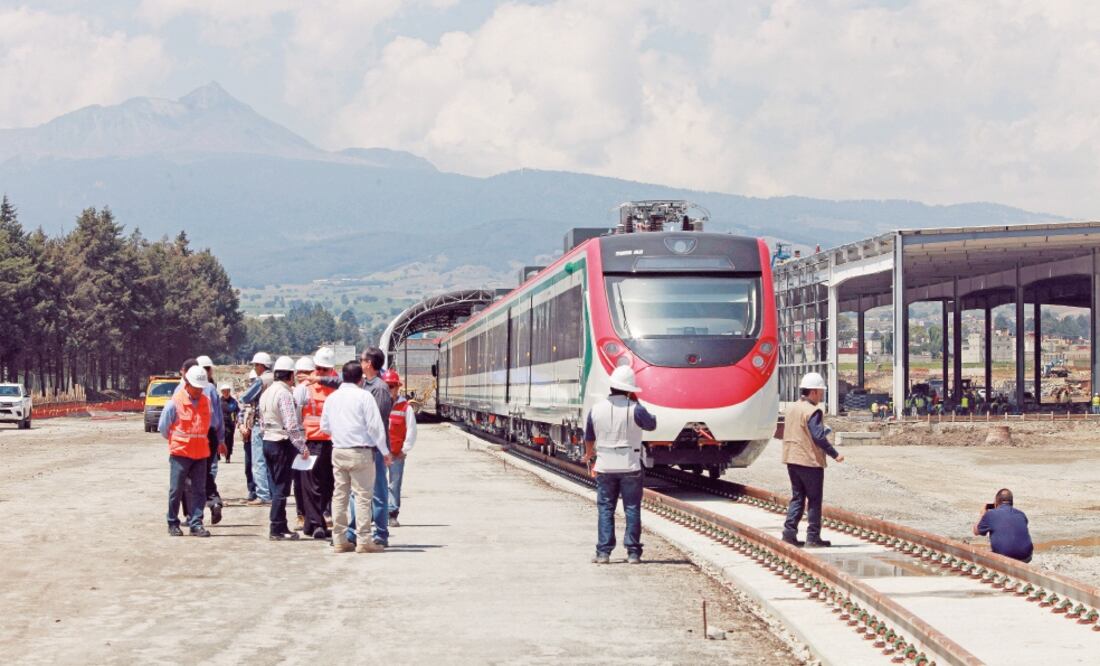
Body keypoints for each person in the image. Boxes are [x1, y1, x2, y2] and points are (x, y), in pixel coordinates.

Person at [581, 365, 657, 564]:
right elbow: (651, 425)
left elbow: (589, 437)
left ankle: (603, 553)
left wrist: (589, 455)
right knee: (632, 508)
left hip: (605, 466)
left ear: (612, 387)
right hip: (630, 466)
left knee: (606, 508)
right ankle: (633, 553)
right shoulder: (636, 409)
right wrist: (636, 402)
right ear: (630, 390)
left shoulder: (596, 410)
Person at [320, 360, 390, 554]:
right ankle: (364, 540)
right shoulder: (364, 397)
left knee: (340, 496)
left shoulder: (332, 398)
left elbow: (324, 427)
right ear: (361, 379)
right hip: (360, 452)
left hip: (338, 451)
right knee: (362, 497)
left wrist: (340, 432)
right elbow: (375, 427)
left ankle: (340, 539)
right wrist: (385, 452)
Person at [781, 372, 845, 548]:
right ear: (814, 391)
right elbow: (818, 436)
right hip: (808, 461)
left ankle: (789, 533)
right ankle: (813, 537)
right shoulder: (813, 411)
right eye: (821, 392)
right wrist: (834, 453)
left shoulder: (792, 408)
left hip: (791, 459)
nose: (822, 395)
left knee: (797, 497)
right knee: (814, 499)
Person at [258, 355, 311, 540]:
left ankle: (282, 525)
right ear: (291, 375)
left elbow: (262, 421)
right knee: (282, 488)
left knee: (275, 487)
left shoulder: (266, 392)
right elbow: (291, 424)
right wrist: (302, 446)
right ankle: (276, 528)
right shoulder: (285, 394)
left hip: (267, 441)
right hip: (281, 443)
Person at [160, 364, 214, 537]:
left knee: (200, 490)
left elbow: (209, 424)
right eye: (196, 387)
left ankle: (196, 523)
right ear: (187, 384)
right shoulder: (175, 402)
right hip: (180, 453)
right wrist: (176, 441)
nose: (199, 391)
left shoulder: (207, 401)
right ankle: (172, 522)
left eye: (201, 388)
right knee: (176, 489)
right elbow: (163, 427)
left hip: (200, 454)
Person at [293, 349, 337, 540]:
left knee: (328, 485)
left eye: (325, 369)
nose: (321, 372)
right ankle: (317, 524)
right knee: (310, 486)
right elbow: (295, 414)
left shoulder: (337, 385)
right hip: (311, 442)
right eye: (318, 368)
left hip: (331, 442)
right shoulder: (304, 388)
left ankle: (313, 523)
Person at [383, 369, 417, 526]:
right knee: (377, 483)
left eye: (392, 386)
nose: (390, 389)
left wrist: (404, 450)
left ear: (398, 387)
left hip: (397, 454)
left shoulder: (405, 408)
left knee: (394, 484)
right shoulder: (378, 404)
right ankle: (376, 512)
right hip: (380, 452)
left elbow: (411, 430)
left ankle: (392, 513)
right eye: (387, 386)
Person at [240, 352, 274, 506]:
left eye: (256, 365)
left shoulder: (261, 380)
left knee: (258, 460)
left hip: (259, 423)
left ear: (261, 366)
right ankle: (271, 491)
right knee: (270, 461)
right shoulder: (277, 379)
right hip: (274, 425)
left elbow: (245, 397)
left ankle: (263, 494)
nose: (255, 368)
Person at [973, 488, 1034, 563]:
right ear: (1012, 503)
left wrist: (982, 514)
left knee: (988, 551)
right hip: (1026, 557)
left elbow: (976, 531)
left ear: (996, 502)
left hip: (1004, 559)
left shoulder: (991, 514)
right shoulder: (1021, 514)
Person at [291, 356, 316, 531]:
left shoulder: (313, 390)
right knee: (299, 480)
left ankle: (314, 514)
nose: (302, 376)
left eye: (306, 372)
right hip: (300, 440)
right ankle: (301, 514)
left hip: (313, 438)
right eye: (299, 373)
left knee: (314, 480)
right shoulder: (298, 391)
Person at [238, 370, 258, 500]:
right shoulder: (246, 399)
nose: (253, 384)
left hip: (260, 436)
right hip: (248, 437)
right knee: (249, 465)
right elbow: (240, 414)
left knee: (260, 465)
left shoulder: (262, 399)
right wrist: (241, 426)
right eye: (252, 381)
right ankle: (252, 490)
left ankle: (262, 489)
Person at [219, 383, 239, 463]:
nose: (226, 393)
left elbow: (237, 411)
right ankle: (218, 455)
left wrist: (236, 420)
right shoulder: (219, 401)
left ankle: (228, 456)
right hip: (221, 425)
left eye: (227, 391)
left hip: (230, 425)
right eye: (224, 391)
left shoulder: (233, 401)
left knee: (229, 441)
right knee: (219, 440)